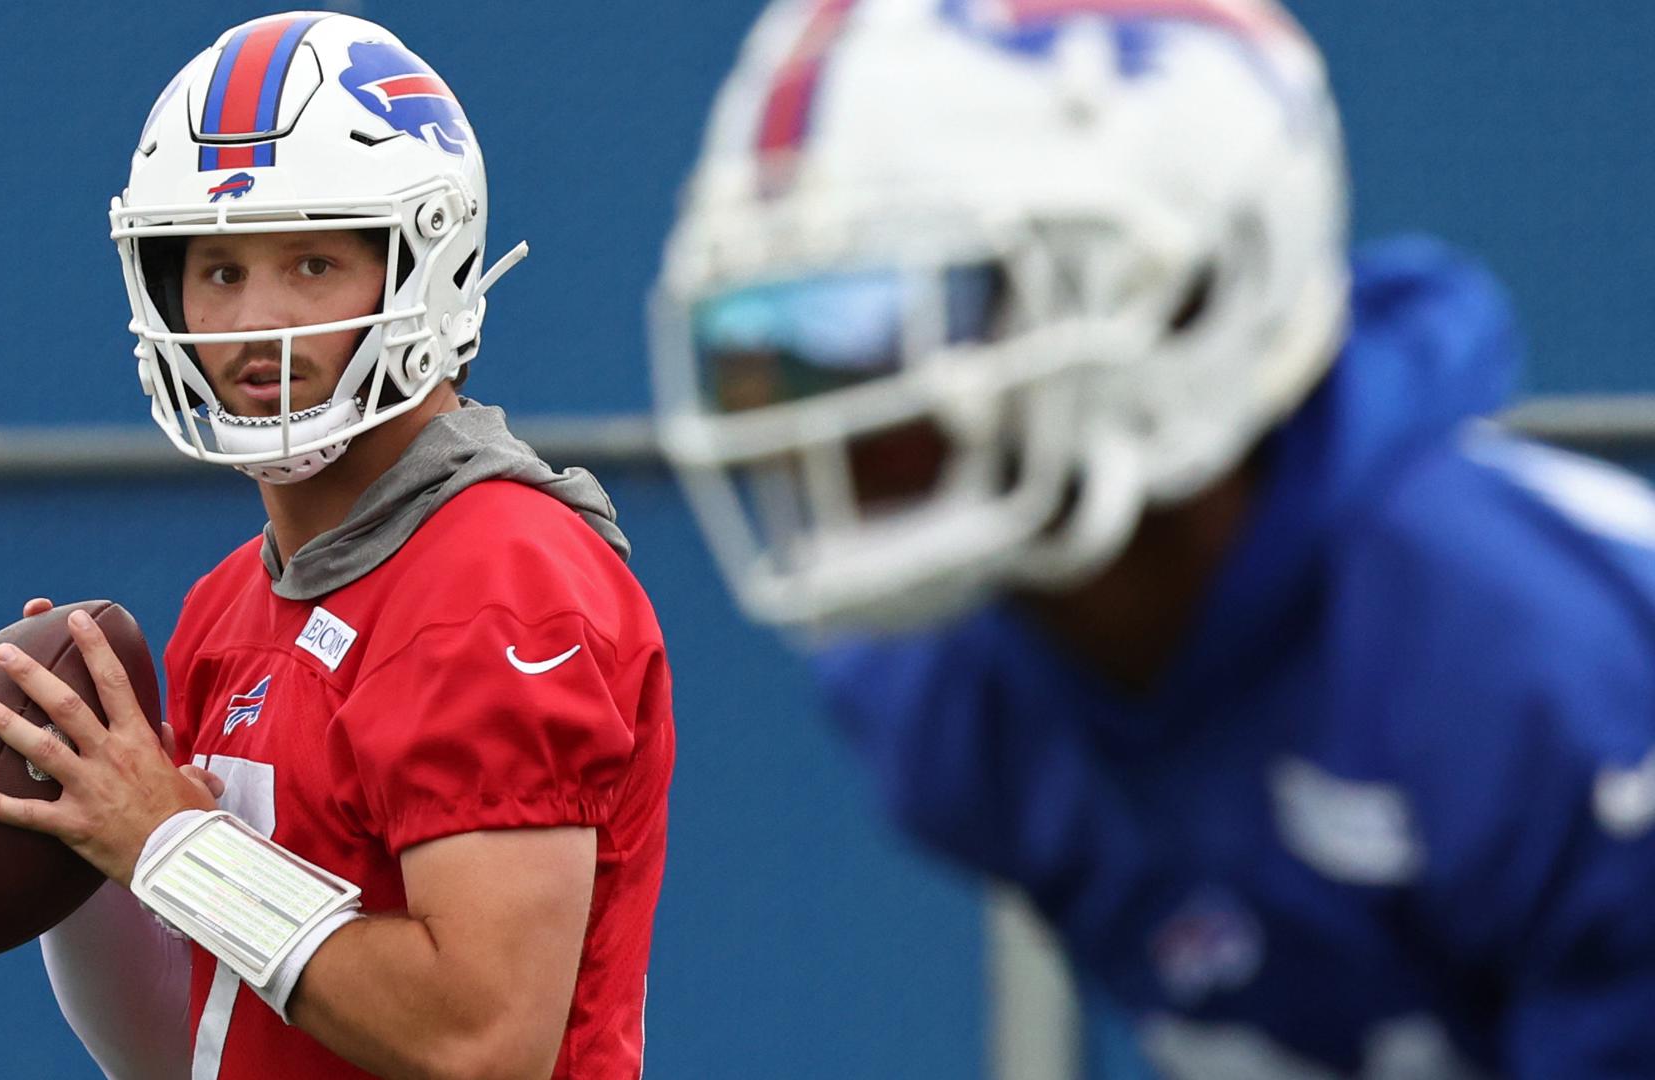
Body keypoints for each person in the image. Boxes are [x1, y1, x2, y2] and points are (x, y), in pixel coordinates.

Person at [652, 0, 1655, 1075]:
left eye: (910, 319)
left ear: (1192, 291)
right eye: (786, 340)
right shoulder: (951, 698)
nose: (853, 412)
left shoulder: (1543, 671)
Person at [0, 13, 674, 1079]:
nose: (255, 324)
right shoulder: (232, 601)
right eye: (218, 273)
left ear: (425, 268)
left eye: (312, 263)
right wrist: (77, 832)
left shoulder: (498, 577)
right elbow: (207, 1047)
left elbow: (485, 1042)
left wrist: (177, 846)